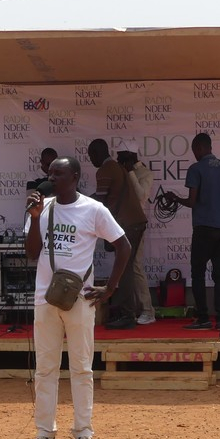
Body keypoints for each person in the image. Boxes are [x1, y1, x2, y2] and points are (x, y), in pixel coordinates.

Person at [24, 156, 130, 439]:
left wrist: (110, 287)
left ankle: (83, 431)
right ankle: (45, 432)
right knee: (45, 368)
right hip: (45, 298)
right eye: (50, 173)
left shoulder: (93, 209)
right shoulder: (42, 208)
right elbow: (32, 253)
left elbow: (123, 245)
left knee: (82, 367)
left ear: (75, 177)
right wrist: (33, 218)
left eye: (58, 173)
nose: (52, 177)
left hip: (80, 299)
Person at [167, 132, 220, 330]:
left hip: (204, 227)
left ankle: (202, 318)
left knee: (198, 272)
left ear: (200, 148)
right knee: (219, 273)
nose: (194, 154)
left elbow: (192, 201)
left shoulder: (196, 169)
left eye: (194, 150)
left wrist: (176, 199)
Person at [89, 138, 147, 329]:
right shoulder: (117, 167)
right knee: (126, 267)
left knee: (125, 269)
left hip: (127, 224)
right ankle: (125, 312)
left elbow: (99, 200)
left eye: (91, 156)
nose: (90, 160)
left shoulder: (105, 170)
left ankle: (127, 315)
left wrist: (75, 201)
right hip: (134, 222)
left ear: (98, 153)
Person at [118, 143, 157, 325]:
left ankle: (148, 311)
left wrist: (130, 172)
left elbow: (142, 196)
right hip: (121, 224)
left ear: (131, 156)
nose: (118, 160)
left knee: (135, 266)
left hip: (136, 225)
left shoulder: (145, 173)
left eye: (121, 156)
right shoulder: (120, 171)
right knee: (125, 267)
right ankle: (129, 309)